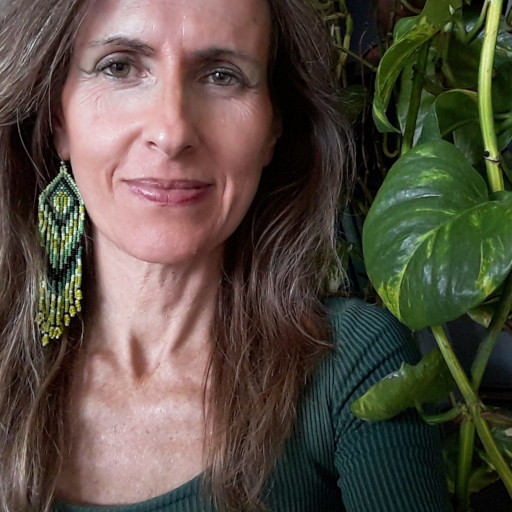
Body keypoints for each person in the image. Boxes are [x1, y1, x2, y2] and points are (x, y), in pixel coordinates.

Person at [0, 0, 451, 510]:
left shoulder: (350, 362)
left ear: (274, 128)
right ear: (58, 119)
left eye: (222, 75)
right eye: (119, 67)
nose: (172, 133)